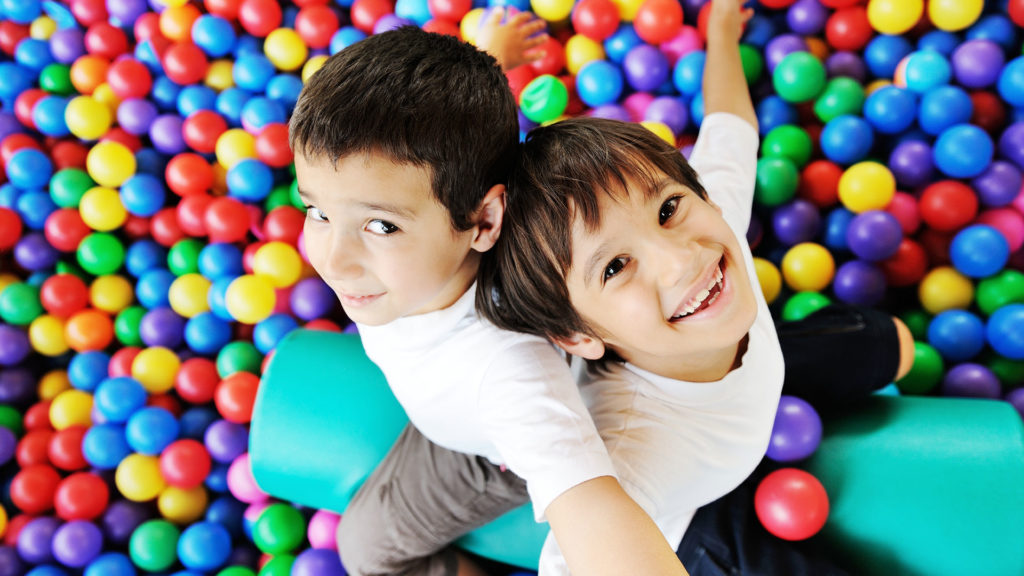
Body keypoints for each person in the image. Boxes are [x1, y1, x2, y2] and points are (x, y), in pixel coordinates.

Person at [476, 0, 915, 573]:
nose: (679, 259)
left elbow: (732, 124)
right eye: (614, 268)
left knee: (897, 343)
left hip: (747, 357)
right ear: (577, 335)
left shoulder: (710, 227)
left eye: (667, 209)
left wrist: (722, 27)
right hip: (696, 514)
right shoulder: (632, 463)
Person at [288, 23, 689, 576]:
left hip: (487, 455)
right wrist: (490, 63)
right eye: (318, 212)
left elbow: (590, 501)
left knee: (365, 548)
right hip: (444, 401)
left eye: (380, 226)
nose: (333, 260)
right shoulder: (430, 220)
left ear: (484, 221)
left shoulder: (506, 370)